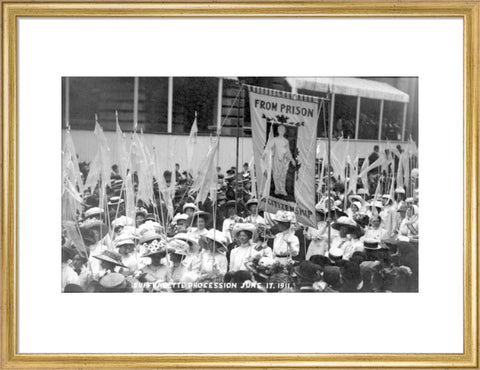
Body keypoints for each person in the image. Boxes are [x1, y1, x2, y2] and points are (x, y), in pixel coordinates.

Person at [264, 124, 296, 197]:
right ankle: (277, 189)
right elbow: (269, 148)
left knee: (283, 176)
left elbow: (288, 152)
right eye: (280, 130)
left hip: (283, 161)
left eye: (283, 130)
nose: (281, 131)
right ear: (278, 131)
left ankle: (282, 189)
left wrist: (292, 160)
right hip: (276, 159)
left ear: (284, 131)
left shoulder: (286, 141)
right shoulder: (274, 140)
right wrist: (270, 152)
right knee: (276, 175)